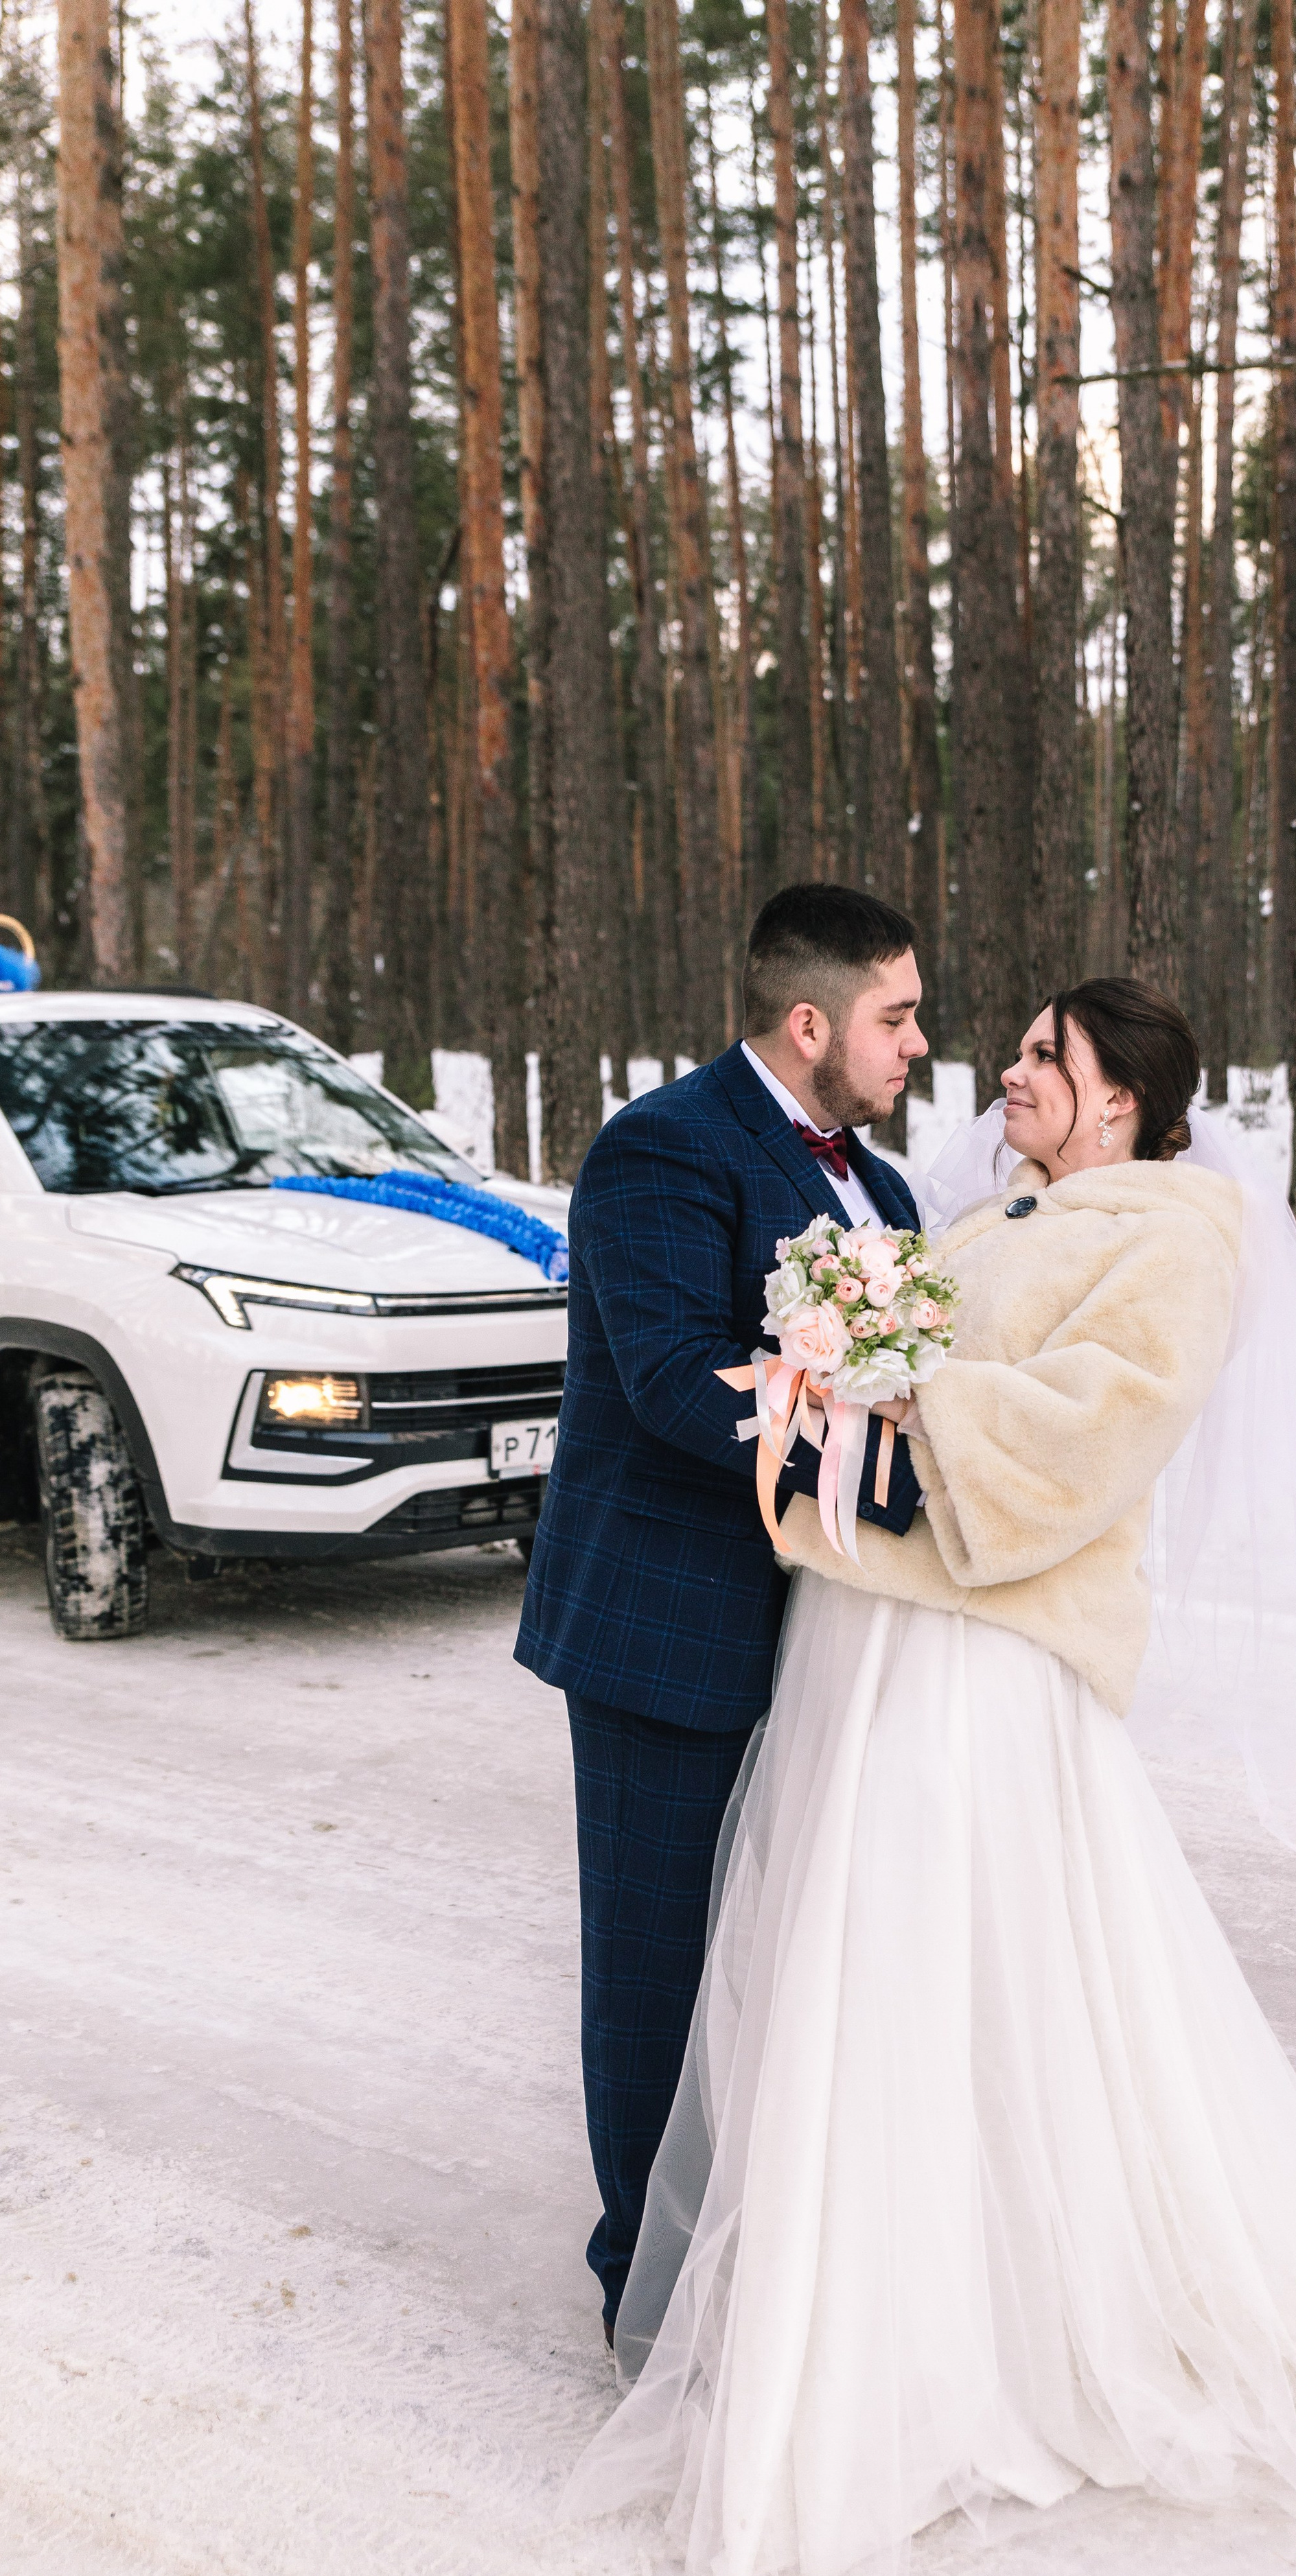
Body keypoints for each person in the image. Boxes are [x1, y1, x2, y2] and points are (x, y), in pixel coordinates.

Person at [560, 978, 1296, 2576]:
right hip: (867, 1638)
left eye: (1040, 1059)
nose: (1001, 1074)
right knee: (840, 1976)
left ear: (1122, 1104)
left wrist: (883, 1396)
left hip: (979, 1660)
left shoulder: (1176, 1237)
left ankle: (963, 2334)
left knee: (949, 1975)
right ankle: (834, 2302)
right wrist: (832, 1367)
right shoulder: (1002, 1209)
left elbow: (1095, 1429)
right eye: (1006, 1048)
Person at [516, 884, 929, 2345]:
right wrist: (892, 1479)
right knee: (654, 1964)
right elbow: (676, 1380)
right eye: (894, 1018)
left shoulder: (877, 1191)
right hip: (661, 1624)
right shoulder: (659, 1149)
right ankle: (644, 2285)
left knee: (773, 1959)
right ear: (807, 1022)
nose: (915, 1045)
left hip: (817, 1641)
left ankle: (754, 2243)